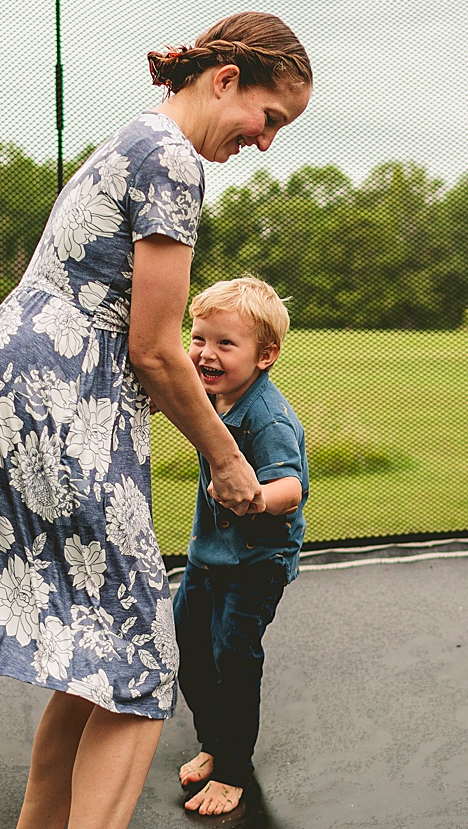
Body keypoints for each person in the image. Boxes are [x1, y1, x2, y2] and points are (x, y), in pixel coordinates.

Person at [0, 12, 312, 829]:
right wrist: (227, 462)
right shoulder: (172, 159)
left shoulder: (135, 137)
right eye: (269, 118)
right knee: (141, 662)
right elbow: (157, 349)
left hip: (4, 392)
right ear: (226, 80)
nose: (266, 140)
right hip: (56, 409)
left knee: (95, 655)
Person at [170, 276, 309, 816]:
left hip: (256, 563)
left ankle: (233, 771)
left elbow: (291, 490)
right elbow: (170, 382)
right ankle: (214, 744)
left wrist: (254, 497)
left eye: (225, 343)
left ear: (266, 356)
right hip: (207, 559)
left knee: (233, 657)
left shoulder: (266, 417)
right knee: (188, 649)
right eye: (199, 337)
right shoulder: (214, 395)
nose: (205, 352)